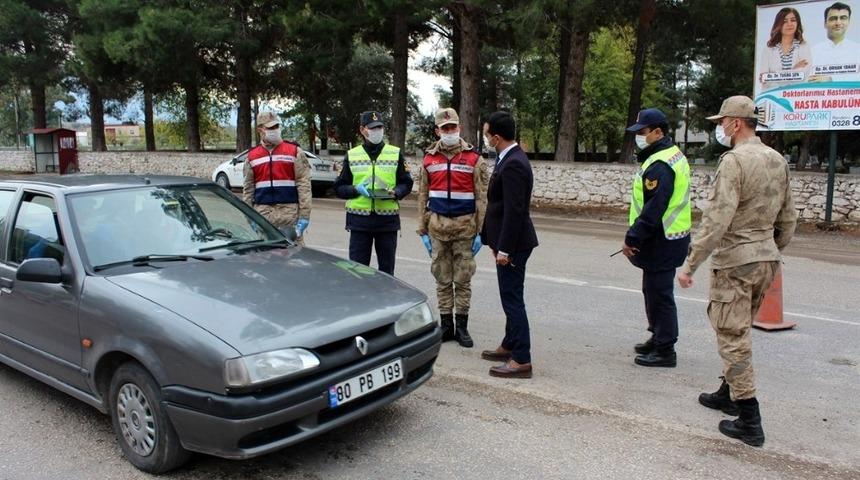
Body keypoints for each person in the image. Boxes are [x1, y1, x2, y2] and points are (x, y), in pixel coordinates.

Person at [677, 96, 797, 447]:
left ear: (735, 123)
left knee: (732, 336)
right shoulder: (777, 158)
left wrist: (690, 264)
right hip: (765, 259)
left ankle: (749, 419)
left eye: (722, 121)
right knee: (739, 328)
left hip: (736, 261)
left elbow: (717, 219)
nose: (720, 128)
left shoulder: (734, 161)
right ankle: (727, 393)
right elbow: (789, 217)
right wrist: (770, 249)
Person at [622, 108, 691, 368]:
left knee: (660, 294)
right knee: (651, 290)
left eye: (643, 132)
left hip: (661, 239)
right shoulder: (670, 156)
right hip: (669, 236)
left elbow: (654, 208)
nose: (639, 137)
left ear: (658, 132)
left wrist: (633, 237)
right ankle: (657, 335)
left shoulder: (660, 164)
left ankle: (665, 349)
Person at [417, 107, 489, 348]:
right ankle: (446, 325)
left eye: (453, 127)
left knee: (463, 279)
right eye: (445, 128)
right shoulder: (429, 159)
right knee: (442, 278)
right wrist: (422, 229)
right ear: (438, 131)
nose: (450, 131)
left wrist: (481, 230)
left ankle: (463, 327)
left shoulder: (473, 159)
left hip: (464, 229)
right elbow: (422, 196)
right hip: (437, 228)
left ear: (459, 128)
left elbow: (481, 197)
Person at [478, 111, 539, 379]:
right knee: (509, 296)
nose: (485, 137)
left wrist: (504, 249)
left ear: (497, 137)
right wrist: (488, 238)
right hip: (506, 240)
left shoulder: (514, 162)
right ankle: (509, 344)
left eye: (486, 133)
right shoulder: (508, 158)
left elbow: (515, 211)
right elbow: (497, 206)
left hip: (513, 244)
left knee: (513, 299)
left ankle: (521, 359)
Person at [333, 111, 413, 275]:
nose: (377, 131)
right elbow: (339, 187)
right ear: (363, 130)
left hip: (387, 221)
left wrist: (397, 192)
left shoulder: (395, 153)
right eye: (372, 128)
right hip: (359, 222)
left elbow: (406, 182)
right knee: (358, 272)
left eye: (379, 127)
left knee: (387, 271)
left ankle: (386, 300)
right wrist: (355, 190)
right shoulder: (352, 155)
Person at [243, 111, 312, 240]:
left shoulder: (294, 151)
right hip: (263, 216)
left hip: (289, 215)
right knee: (265, 258)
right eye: (270, 128)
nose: (275, 130)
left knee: (293, 257)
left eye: (276, 126)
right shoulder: (252, 156)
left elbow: (304, 186)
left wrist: (304, 216)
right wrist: (249, 217)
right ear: (260, 130)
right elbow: (248, 190)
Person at [757, 7, 812, 87]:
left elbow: (803, 75)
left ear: (798, 23)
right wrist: (794, 70)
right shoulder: (769, 49)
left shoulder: (803, 46)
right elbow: (764, 79)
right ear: (778, 24)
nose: (789, 24)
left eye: (793, 20)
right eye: (784, 21)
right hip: (773, 96)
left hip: (796, 95)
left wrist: (775, 75)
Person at [811, 2, 860, 81]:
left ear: (849, 22)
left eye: (843, 18)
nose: (838, 22)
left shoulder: (858, 50)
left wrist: (831, 78)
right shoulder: (813, 51)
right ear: (825, 23)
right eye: (833, 18)